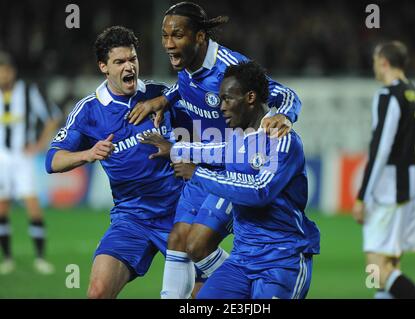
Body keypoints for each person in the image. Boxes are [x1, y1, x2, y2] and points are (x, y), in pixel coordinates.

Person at [129, 1, 302, 298]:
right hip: (206, 163)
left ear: (199, 37)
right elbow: (186, 87)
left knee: (197, 245)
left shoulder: (228, 67)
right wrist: (166, 100)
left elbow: (284, 93)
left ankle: (242, 280)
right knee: (179, 240)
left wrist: (283, 114)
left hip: (235, 169)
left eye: (177, 36)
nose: (168, 44)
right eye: (164, 36)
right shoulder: (186, 65)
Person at [146, 61, 320, 298]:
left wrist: (197, 173)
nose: (222, 107)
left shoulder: (283, 140)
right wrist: (175, 149)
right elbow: (214, 150)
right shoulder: (240, 139)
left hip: (281, 260)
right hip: (242, 260)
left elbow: (260, 191)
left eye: (228, 99)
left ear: (250, 98)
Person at [45, 26, 183, 298]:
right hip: (132, 217)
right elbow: (53, 160)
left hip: (180, 211)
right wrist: (88, 154)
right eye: (119, 62)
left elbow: (200, 117)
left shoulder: (159, 95)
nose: (129, 66)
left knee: (202, 296)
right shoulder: (90, 111)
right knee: (97, 293)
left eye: (132, 59)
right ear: (103, 67)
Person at [352, 41, 415, 299]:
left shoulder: (388, 96)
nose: (373, 66)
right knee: (391, 266)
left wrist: (363, 196)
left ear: (384, 62)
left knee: (376, 270)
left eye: (375, 61)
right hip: (412, 190)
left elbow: (380, 149)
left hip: (388, 193)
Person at [0, 51, 60, 275]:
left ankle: (40, 258)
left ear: (12, 72)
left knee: (33, 206)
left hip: (23, 157)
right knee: (2, 208)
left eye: (4, 71)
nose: (1, 76)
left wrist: (41, 143)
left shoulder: (27, 91)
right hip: (2, 158)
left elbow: (53, 115)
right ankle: (7, 258)